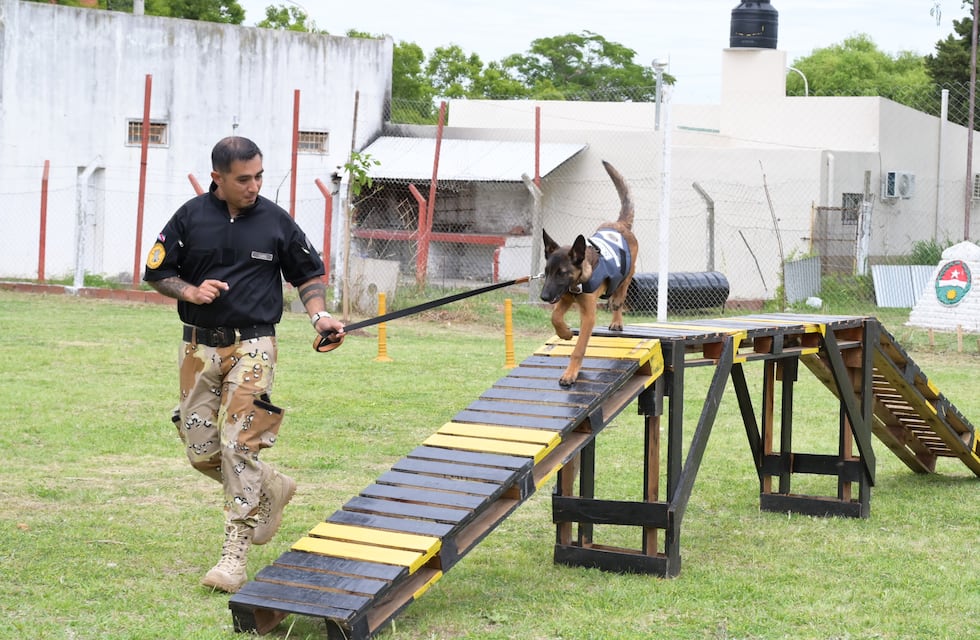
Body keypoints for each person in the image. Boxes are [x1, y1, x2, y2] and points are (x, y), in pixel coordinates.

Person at [144, 136, 345, 594]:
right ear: (218, 178)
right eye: (243, 179)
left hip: (254, 345)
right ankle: (269, 485)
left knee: (239, 445)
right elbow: (157, 273)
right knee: (200, 449)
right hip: (197, 349)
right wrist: (191, 291)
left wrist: (319, 315)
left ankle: (233, 557)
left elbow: (307, 274)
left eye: (258, 176)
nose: (253, 186)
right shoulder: (189, 217)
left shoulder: (275, 221)